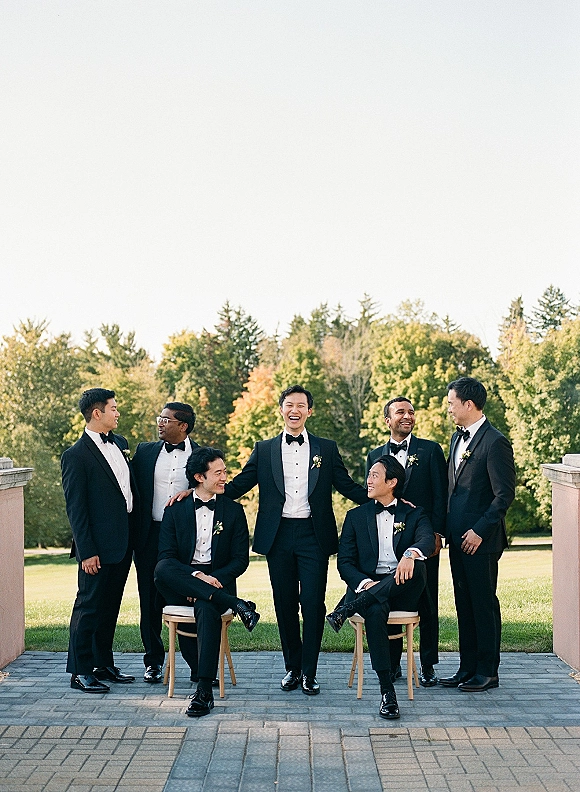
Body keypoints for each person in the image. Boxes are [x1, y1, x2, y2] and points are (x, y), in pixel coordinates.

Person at [224, 385, 368, 695]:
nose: (295, 409)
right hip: (277, 536)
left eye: (301, 405)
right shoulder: (264, 449)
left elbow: (346, 485)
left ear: (309, 411)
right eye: (290, 404)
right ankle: (292, 667)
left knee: (314, 604)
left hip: (313, 535)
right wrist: (200, 491)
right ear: (281, 409)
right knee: (284, 603)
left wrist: (385, 496)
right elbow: (239, 485)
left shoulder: (326, 449)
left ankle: (310, 671)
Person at [326, 455, 434, 719]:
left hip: (403, 592)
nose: (368, 480)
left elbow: (427, 540)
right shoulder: (355, 516)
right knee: (374, 608)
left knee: (418, 566)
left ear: (392, 482)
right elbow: (346, 563)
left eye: (375, 475)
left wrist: (410, 554)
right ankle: (388, 692)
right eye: (369, 474)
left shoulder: (414, 513)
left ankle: (350, 607)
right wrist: (365, 584)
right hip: (371, 589)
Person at [154, 447, 259, 717]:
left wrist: (214, 579)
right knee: (162, 568)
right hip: (181, 580)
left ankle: (204, 691)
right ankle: (237, 604)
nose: (225, 477)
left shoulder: (234, 511)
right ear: (200, 477)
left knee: (205, 604)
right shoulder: (175, 510)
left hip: (217, 582)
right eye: (219, 473)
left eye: (225, 472)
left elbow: (240, 561)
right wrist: (196, 577)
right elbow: (166, 557)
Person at [440, 377, 515, 692]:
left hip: (480, 542)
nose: (449, 409)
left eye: (451, 403)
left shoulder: (494, 442)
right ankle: (467, 667)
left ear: (468, 404)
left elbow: (504, 495)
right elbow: (453, 491)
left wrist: (480, 531)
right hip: (457, 539)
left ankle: (488, 671)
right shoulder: (457, 439)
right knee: (464, 604)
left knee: (483, 604)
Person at [61, 388, 139, 693]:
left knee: (110, 607)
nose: (118, 413)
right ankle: (80, 671)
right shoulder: (75, 456)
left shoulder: (119, 443)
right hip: (96, 548)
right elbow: (76, 509)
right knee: (88, 607)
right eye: (114, 409)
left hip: (123, 543)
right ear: (98, 413)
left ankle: (102, 664)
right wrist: (87, 552)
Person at [366, 396, 447, 687]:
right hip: (387, 542)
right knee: (389, 597)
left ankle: (427, 665)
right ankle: (392, 665)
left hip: (423, 541)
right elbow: (372, 497)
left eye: (411, 411)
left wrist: (438, 535)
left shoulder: (430, 450)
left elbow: (441, 495)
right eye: (400, 412)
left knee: (427, 602)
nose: (407, 416)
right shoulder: (374, 454)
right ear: (387, 420)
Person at [132, 402, 199, 684]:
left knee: (186, 598)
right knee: (149, 600)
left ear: (182, 426)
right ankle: (153, 662)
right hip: (148, 536)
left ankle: (196, 664)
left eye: (165, 419)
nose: (159, 423)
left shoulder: (202, 456)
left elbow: (213, 488)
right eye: (159, 418)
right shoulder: (144, 452)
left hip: (184, 540)